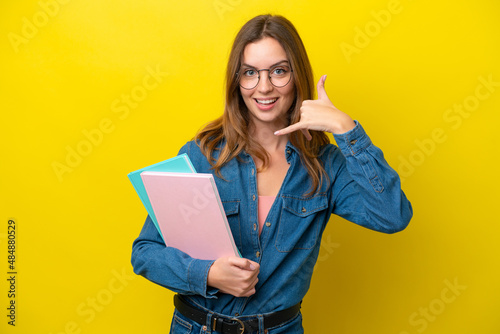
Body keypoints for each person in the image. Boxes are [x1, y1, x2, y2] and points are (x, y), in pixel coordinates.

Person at [131, 14, 412, 334]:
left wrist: (347, 130)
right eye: (250, 73)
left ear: (297, 76)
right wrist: (207, 274)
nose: (264, 87)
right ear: (237, 80)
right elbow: (145, 253)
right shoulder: (204, 154)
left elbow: (392, 215)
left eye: (279, 71)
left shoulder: (325, 165)